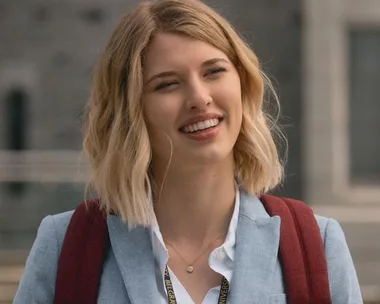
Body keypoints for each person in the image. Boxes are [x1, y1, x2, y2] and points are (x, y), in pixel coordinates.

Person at [14, 0, 363, 303]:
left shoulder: (316, 244)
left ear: (242, 82)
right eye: (167, 84)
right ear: (131, 110)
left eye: (214, 71)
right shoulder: (66, 247)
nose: (199, 98)